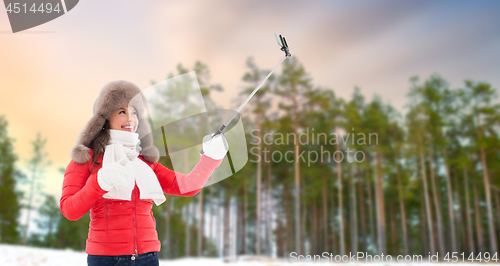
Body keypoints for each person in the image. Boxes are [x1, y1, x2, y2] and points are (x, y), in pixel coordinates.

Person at [60, 80, 228, 266]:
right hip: (106, 259)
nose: (130, 119)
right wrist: (100, 182)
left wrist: (210, 159)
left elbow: (186, 186)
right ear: (105, 117)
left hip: (147, 257)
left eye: (134, 112)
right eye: (122, 112)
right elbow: (70, 210)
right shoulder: (87, 158)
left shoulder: (144, 162)